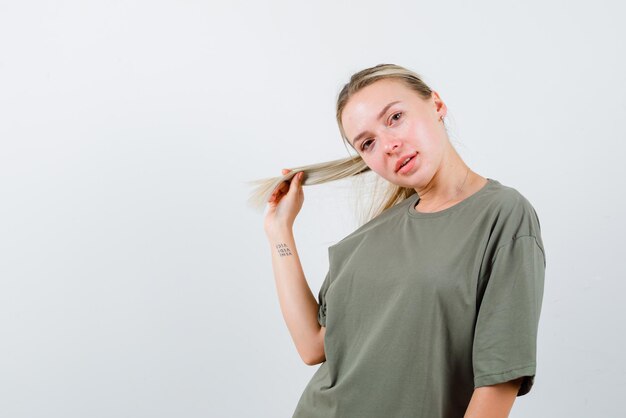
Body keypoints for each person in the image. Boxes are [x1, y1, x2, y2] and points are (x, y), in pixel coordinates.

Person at [259, 64, 546, 418]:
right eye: (368, 143)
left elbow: (501, 377)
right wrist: (279, 231)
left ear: (436, 105)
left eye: (395, 117)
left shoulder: (502, 214)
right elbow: (312, 346)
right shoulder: (370, 235)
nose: (390, 146)